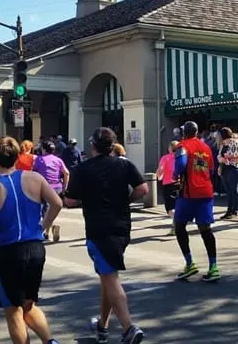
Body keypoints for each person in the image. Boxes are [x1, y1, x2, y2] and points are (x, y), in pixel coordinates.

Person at [0, 136, 62, 344]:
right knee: (28, 304)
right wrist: (44, 226)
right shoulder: (34, 178)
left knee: (13, 310)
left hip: (10, 251)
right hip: (35, 248)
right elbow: (57, 203)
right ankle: (50, 341)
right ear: (17, 156)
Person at [66, 127, 148, 344]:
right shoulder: (124, 164)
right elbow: (143, 189)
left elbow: (70, 200)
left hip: (98, 228)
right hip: (122, 227)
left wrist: (85, 199)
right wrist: (127, 200)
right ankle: (102, 326)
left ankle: (128, 327)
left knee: (110, 278)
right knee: (107, 276)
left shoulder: (83, 169)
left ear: (93, 145)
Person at [172, 121, 220, 282]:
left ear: (183, 132)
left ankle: (189, 263)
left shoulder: (182, 146)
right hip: (206, 191)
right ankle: (213, 267)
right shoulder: (206, 147)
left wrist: (175, 175)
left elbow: (180, 165)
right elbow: (211, 169)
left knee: (179, 226)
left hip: (188, 193)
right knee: (206, 230)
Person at [33, 141, 69, 241]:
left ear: (44, 149)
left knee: (45, 210)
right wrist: (65, 187)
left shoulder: (39, 159)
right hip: (57, 187)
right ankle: (48, 231)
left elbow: (34, 173)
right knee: (51, 209)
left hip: (45, 186)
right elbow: (66, 173)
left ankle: (47, 232)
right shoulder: (58, 160)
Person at [156, 141, 179, 236]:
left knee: (170, 208)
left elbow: (160, 170)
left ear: (170, 148)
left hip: (168, 184)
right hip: (180, 183)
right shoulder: (181, 157)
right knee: (178, 206)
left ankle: (178, 221)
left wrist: (158, 175)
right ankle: (175, 228)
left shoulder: (165, 158)